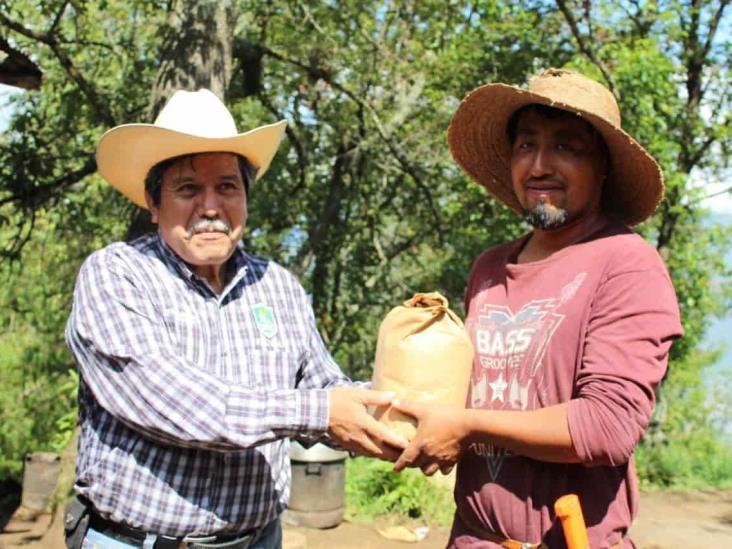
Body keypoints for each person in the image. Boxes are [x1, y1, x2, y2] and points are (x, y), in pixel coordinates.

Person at [63, 89, 407, 549]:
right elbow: (174, 400)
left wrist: (404, 413)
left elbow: (325, 388)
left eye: (227, 186)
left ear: (246, 196)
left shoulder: (278, 286)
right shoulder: (117, 275)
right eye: (187, 189)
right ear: (152, 201)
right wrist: (323, 410)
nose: (210, 207)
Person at [390, 69, 683, 548]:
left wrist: (466, 426)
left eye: (566, 147)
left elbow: (606, 427)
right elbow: (470, 395)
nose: (539, 165)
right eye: (526, 145)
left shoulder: (626, 264)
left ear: (602, 167)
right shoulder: (489, 268)